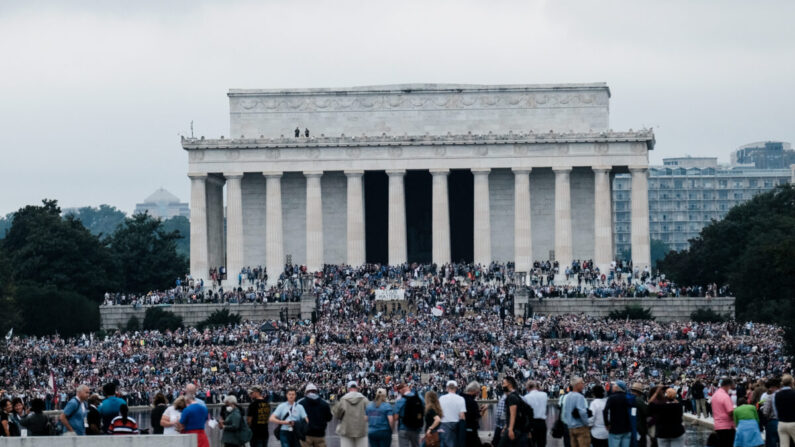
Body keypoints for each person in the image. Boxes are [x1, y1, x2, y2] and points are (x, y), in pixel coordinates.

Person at [332, 381, 369, 447]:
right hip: (361, 430)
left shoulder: (343, 399)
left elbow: (337, 414)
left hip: (346, 430)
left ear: (348, 388)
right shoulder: (364, 399)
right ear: (357, 388)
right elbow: (370, 413)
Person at [298, 383, 332, 447]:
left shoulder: (301, 403)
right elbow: (329, 418)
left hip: (306, 434)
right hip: (320, 434)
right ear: (316, 392)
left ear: (306, 392)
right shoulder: (324, 403)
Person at [562, 377, 590, 447]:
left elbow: (565, 413)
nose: (583, 385)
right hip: (580, 427)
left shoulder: (567, 397)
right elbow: (582, 412)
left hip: (571, 428)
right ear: (577, 385)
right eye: (582, 383)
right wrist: (587, 423)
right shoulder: (579, 397)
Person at [604, 381, 633, 447]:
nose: (612, 387)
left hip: (615, 429)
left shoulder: (612, 398)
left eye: (613, 385)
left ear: (617, 387)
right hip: (627, 429)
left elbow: (605, 411)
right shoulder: (629, 397)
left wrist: (606, 424)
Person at [501, 376, 528, 447]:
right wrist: (505, 426)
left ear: (509, 384)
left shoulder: (511, 397)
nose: (502, 385)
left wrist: (510, 429)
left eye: (503, 383)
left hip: (514, 429)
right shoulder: (517, 395)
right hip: (519, 428)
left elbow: (513, 415)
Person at [396, 383, 425, 447]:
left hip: (403, 427)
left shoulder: (400, 400)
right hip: (416, 427)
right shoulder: (419, 397)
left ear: (402, 390)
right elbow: (424, 408)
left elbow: (396, 416)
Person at [438, 380, 466, 447]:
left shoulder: (441, 398)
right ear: (456, 388)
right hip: (456, 424)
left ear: (447, 388)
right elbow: (462, 416)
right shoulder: (461, 399)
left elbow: (439, 413)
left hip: (444, 424)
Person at [712, 377, 736, 447]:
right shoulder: (725, 396)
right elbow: (730, 411)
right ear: (728, 386)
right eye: (731, 387)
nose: (731, 389)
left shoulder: (715, 395)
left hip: (718, 426)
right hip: (727, 427)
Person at [524, 381, 548, 447]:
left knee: (531, 443)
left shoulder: (526, 397)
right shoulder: (544, 395)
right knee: (542, 444)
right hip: (542, 423)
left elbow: (526, 413)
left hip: (531, 423)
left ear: (528, 388)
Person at [775, 374, 795, 447]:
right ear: (791, 382)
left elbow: (776, 410)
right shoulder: (793, 393)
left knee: (783, 445)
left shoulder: (777, 394)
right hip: (793, 422)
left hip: (782, 423)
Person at [464, 382, 485, 447]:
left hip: (461, 429)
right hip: (471, 430)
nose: (478, 394)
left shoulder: (460, 398)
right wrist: (483, 411)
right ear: (474, 391)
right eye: (478, 392)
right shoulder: (472, 402)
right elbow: (477, 417)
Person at [759, 377, 780, 447]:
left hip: (772, 422)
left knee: (771, 442)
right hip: (784, 421)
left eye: (771, 387)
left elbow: (765, 412)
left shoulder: (770, 397)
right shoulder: (785, 394)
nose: (770, 389)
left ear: (774, 387)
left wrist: (762, 408)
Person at [630, 383, 649, 447]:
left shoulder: (628, 398)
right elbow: (647, 412)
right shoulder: (639, 400)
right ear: (639, 392)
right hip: (639, 428)